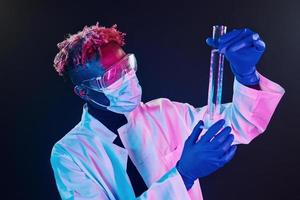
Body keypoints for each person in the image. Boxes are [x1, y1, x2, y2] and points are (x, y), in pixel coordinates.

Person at [50, 23, 285, 200]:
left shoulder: (165, 113)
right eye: (111, 75)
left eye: (126, 65)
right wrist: (183, 175)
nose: (127, 77)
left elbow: (241, 123)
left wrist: (247, 75)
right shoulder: (70, 154)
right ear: (84, 92)